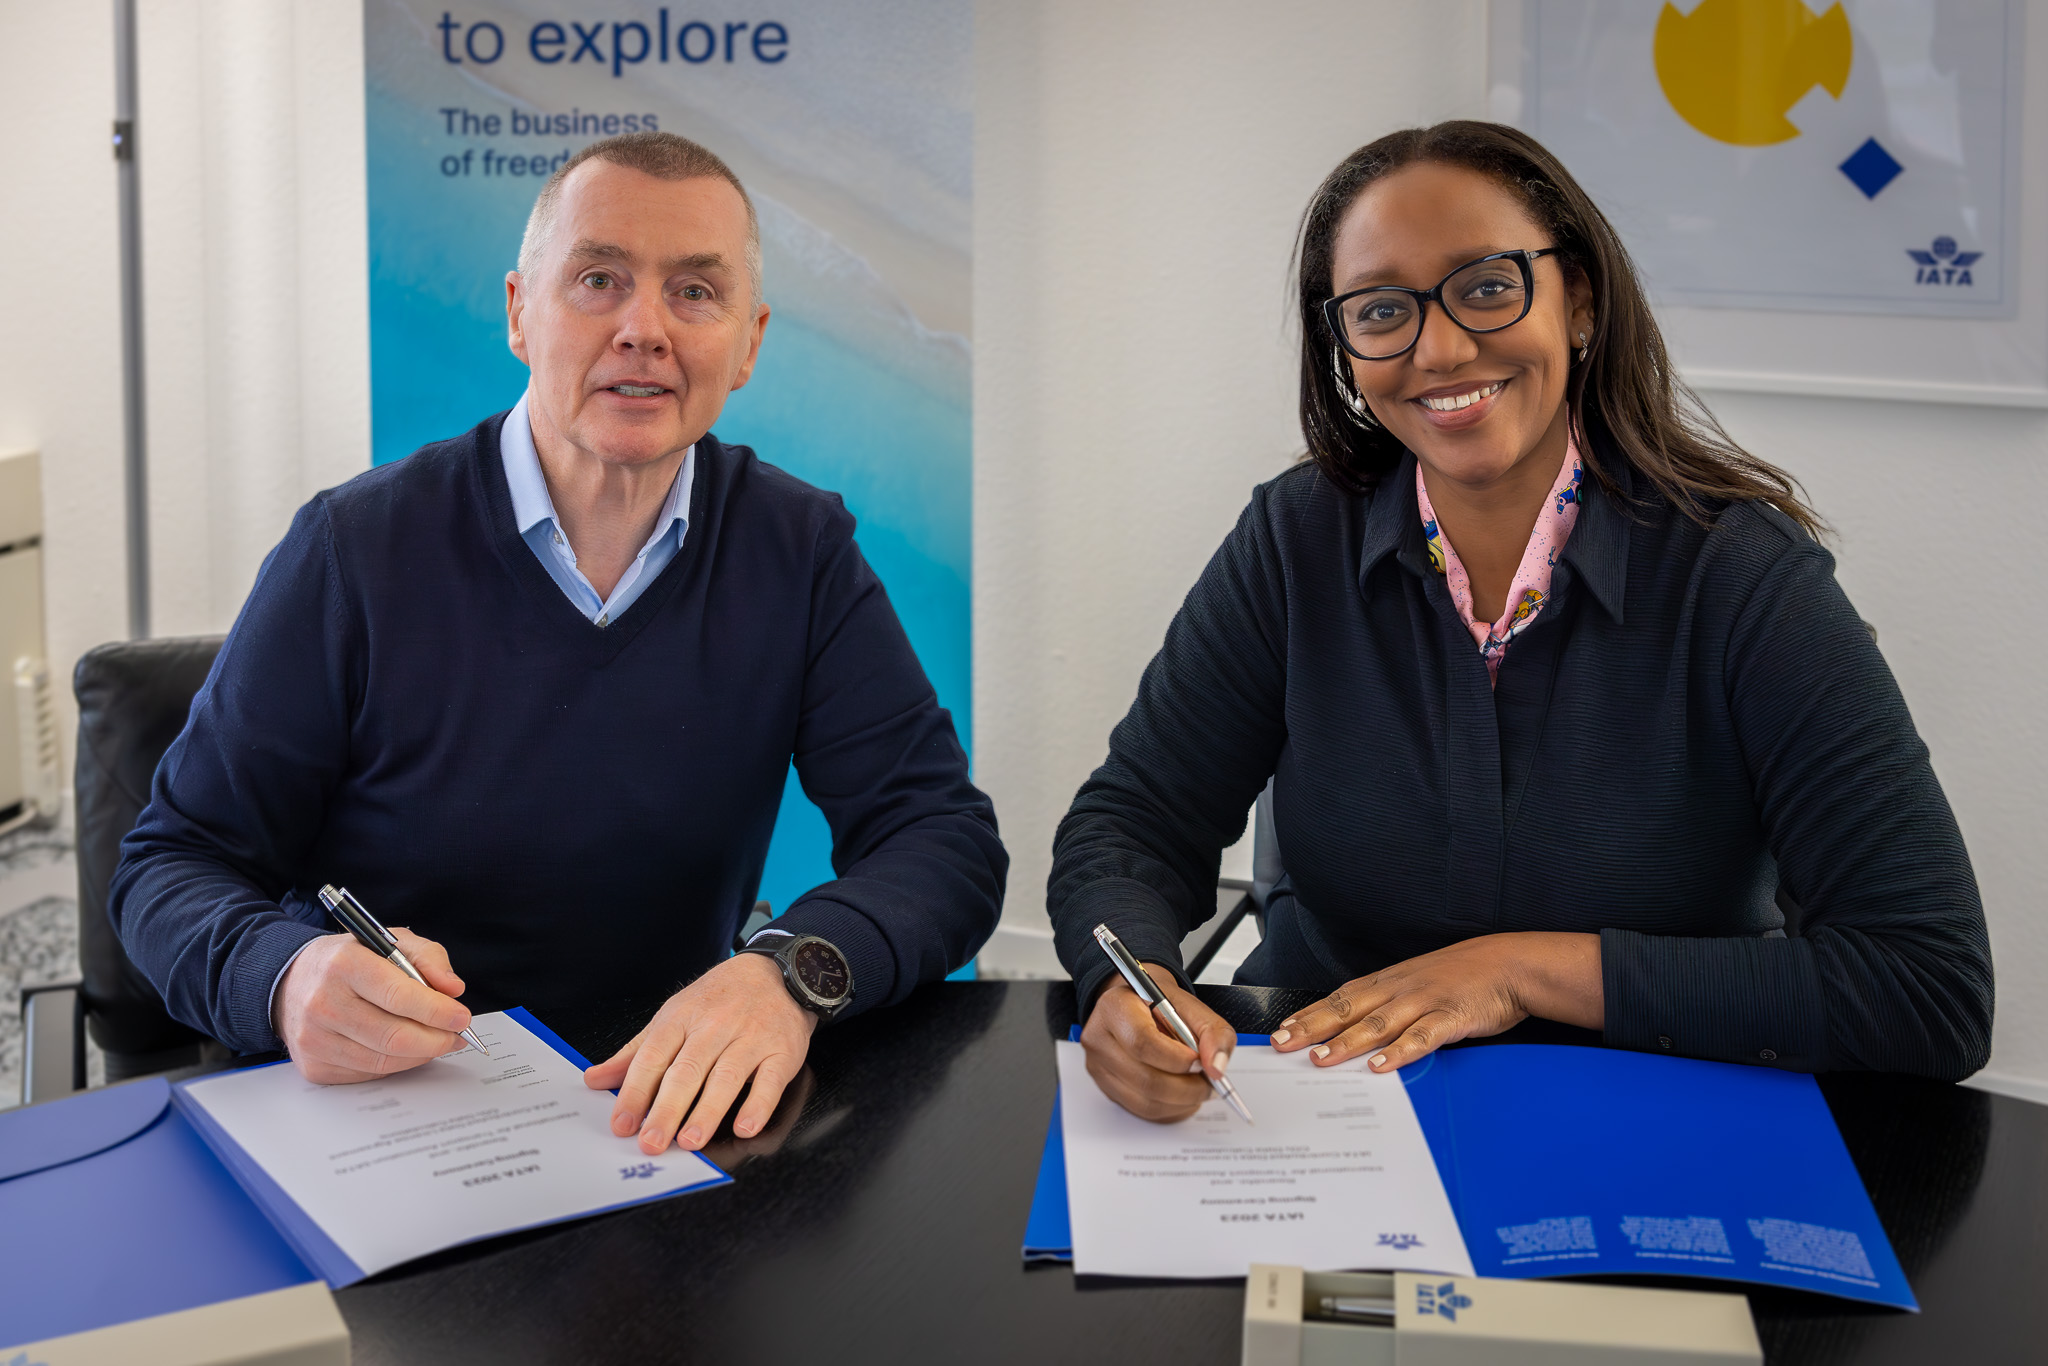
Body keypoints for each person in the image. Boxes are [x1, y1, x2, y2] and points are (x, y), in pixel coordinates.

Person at [1048, 120, 1992, 1123]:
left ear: (1576, 299)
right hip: (1330, 1114)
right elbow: (1135, 823)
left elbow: (1925, 986)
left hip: (1647, 1117)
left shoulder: (1743, 577)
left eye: (1487, 286)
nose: (1440, 348)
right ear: (1342, 347)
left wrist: (1517, 972)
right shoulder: (1294, 538)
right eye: (1379, 311)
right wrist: (1127, 981)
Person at [112, 132, 1006, 1155]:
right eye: (597, 279)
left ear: (748, 343)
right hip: (392, 1115)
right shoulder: (353, 548)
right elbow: (169, 864)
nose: (644, 329)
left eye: (695, 293)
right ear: (518, 313)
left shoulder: (796, 548)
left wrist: (789, 971)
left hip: (654, 1118)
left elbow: (941, 839)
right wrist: (285, 976)